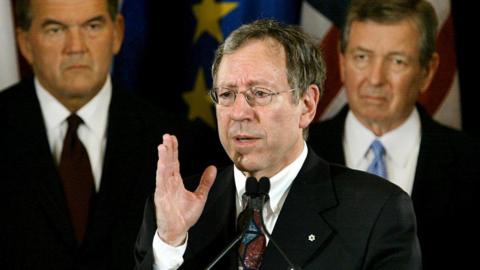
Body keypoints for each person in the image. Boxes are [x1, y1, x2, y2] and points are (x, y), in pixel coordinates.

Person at [134, 19, 421, 270]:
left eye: (259, 93)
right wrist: (170, 244)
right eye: (227, 94)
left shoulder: (375, 212)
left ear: (307, 105)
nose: (239, 112)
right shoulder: (174, 212)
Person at [0, 0, 225, 269]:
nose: (76, 47)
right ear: (25, 42)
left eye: (92, 26)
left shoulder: (186, 144)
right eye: (55, 30)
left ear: (117, 32)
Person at [307, 0, 480, 269]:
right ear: (342, 62)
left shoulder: (473, 162)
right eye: (362, 57)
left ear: (427, 71)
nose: (375, 79)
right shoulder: (296, 153)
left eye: (397, 61)